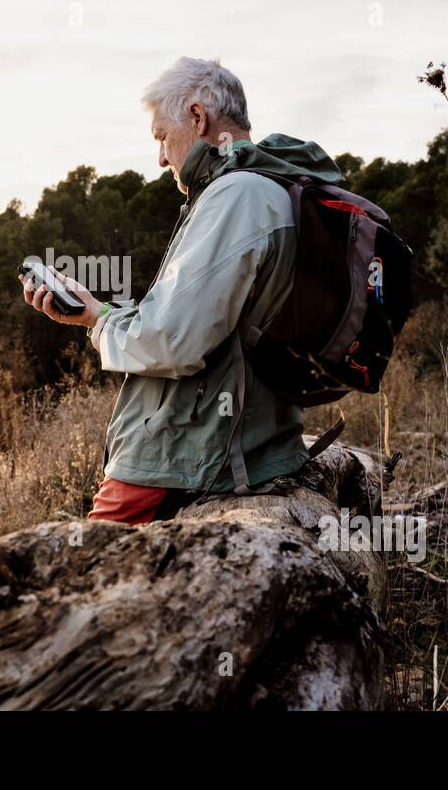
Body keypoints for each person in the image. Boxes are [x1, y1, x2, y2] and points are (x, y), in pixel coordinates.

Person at [20, 56, 343, 524]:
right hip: (247, 440)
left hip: (187, 452)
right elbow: (205, 323)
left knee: (90, 577)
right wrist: (97, 313)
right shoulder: (279, 186)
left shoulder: (237, 197)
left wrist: (97, 322)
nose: (159, 157)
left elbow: (170, 341)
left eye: (161, 137)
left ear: (197, 117)